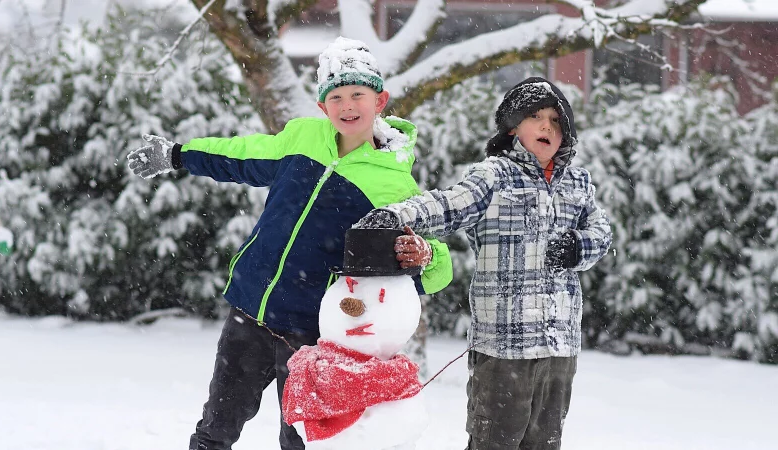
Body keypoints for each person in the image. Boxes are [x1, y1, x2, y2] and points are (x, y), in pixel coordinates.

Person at [126, 37, 453, 450]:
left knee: (300, 439)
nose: (347, 105)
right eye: (335, 96)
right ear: (322, 107)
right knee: (216, 426)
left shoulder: (394, 185)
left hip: (313, 334)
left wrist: (421, 259)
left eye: (358, 94)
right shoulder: (302, 138)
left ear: (380, 100)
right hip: (251, 308)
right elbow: (243, 154)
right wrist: (179, 154)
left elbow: (438, 266)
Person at [356, 77, 612, 450]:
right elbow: (448, 204)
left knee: (545, 442)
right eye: (536, 117)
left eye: (556, 121)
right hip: (502, 347)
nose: (547, 126)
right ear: (512, 128)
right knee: (494, 441)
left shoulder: (577, 183)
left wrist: (579, 246)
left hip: (559, 347)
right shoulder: (494, 176)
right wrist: (398, 215)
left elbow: (602, 232)